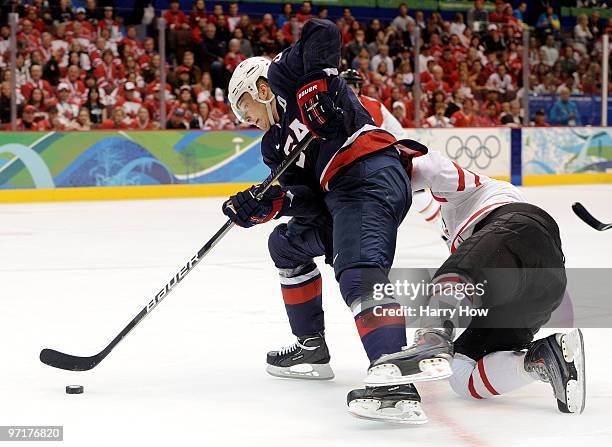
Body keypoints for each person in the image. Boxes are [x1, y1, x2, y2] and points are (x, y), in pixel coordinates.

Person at [223, 19, 428, 423]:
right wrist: (269, 204)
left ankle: (396, 382)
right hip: (338, 196)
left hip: (368, 171)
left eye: (243, 107)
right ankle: (310, 347)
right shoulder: (273, 146)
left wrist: (313, 84)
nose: (245, 119)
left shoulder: (284, 73)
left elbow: (323, 31)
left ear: (259, 89)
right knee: (285, 244)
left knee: (358, 275)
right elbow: (310, 203)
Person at [349, 148, 585, 415]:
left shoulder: (469, 188)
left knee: (454, 277)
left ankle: (431, 338)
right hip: (544, 286)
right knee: (461, 374)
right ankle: (542, 358)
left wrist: (386, 173)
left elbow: (432, 167)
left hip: (519, 232)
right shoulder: (455, 228)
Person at [339, 69, 404, 138]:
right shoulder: (333, 105)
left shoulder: (373, 104)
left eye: (347, 86)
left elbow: (375, 135)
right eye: (341, 86)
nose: (343, 90)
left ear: (357, 88)